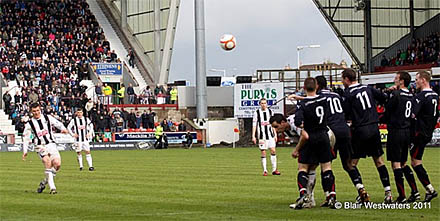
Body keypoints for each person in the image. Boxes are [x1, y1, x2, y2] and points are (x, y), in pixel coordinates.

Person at [341, 68, 392, 203]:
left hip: (360, 130)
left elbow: (345, 113)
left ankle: (361, 190)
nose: (342, 82)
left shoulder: (347, 93)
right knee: (379, 161)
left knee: (350, 163)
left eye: (342, 79)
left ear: (347, 79)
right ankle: (388, 192)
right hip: (374, 128)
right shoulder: (368, 88)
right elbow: (384, 98)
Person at [291, 77, 337, 209]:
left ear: (304, 88)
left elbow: (298, 122)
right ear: (316, 87)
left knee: (303, 168)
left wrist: (298, 99)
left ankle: (303, 194)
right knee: (326, 167)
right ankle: (331, 195)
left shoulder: (302, 105)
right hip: (323, 135)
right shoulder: (323, 99)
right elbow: (313, 100)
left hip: (310, 137)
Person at [384, 71, 419, 203]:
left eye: (396, 78)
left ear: (402, 81)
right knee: (403, 163)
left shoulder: (396, 94)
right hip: (406, 131)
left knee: (396, 164)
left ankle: (402, 196)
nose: (394, 80)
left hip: (396, 131)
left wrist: (388, 93)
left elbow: (387, 110)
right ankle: (415, 191)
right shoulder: (411, 95)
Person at [22, 103, 69, 194]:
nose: (36, 113)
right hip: (40, 146)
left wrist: (63, 129)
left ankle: (44, 182)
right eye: (34, 111)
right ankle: (52, 188)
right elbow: (26, 138)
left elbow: (57, 123)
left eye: (37, 110)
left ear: (40, 110)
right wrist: (25, 150)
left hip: (51, 144)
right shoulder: (29, 124)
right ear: (31, 112)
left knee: (57, 164)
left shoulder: (47, 118)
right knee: (47, 162)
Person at [410, 71, 439, 202]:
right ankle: (427, 190)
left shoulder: (421, 96)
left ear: (423, 80)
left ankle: (430, 189)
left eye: (416, 80)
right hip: (428, 131)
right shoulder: (435, 95)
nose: (415, 82)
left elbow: (412, 114)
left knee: (415, 162)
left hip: (420, 132)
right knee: (415, 160)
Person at [252, 98, 280, 176]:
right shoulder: (257, 113)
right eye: (262, 103)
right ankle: (265, 170)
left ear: (267, 104)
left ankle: (274, 170)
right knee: (263, 152)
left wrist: (275, 134)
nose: (263, 105)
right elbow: (254, 125)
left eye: (265, 103)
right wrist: (253, 136)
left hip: (270, 135)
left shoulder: (271, 112)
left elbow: (273, 125)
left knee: (273, 151)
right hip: (262, 136)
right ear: (260, 104)